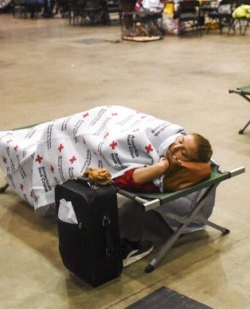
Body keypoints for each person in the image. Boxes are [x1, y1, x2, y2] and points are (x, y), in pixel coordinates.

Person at [0, 105, 214, 266]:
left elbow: (122, 180)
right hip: (108, 123)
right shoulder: (169, 135)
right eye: (180, 141)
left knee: (57, 137)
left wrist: (160, 167)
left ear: (188, 161)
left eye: (183, 152)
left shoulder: (170, 169)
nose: (176, 147)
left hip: (95, 147)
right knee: (62, 128)